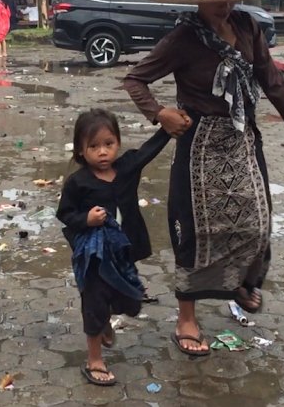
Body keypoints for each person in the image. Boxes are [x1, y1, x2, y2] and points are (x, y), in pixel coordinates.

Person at [123, 0, 284, 356]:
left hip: (242, 141)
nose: (223, 4)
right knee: (196, 232)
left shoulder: (248, 27)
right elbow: (134, 79)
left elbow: (271, 81)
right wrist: (160, 112)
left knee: (256, 221)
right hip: (198, 145)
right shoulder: (182, 37)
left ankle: (241, 282)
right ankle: (186, 318)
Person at [56, 108, 171, 386]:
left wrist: (169, 128)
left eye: (109, 144)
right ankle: (94, 359)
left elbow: (148, 150)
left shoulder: (127, 169)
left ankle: (106, 321)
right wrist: (87, 219)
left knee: (130, 302)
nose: (103, 152)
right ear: (81, 151)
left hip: (123, 253)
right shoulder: (78, 182)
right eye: (93, 146)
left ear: (118, 143)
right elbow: (65, 214)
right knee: (94, 302)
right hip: (93, 257)